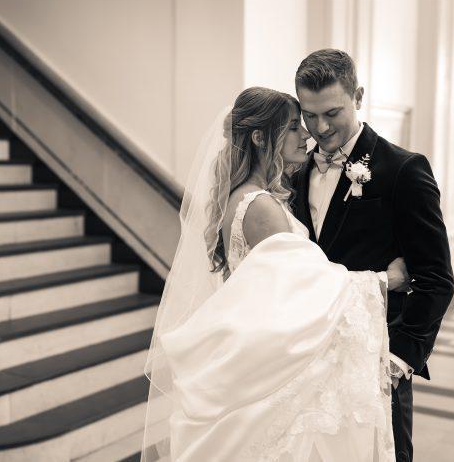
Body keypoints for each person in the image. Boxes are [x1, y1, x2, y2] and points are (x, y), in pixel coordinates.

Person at [142, 87, 409, 461]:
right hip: (273, 364)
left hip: (254, 354)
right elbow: (303, 292)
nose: (307, 135)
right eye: (293, 127)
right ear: (259, 137)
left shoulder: (240, 196)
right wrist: (384, 281)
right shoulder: (261, 206)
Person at [292, 49, 454, 462]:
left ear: (358, 96)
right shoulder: (293, 171)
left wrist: (398, 359)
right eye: (309, 115)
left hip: (375, 360)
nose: (320, 128)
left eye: (332, 113)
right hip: (304, 359)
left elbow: (436, 278)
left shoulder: (403, 170)